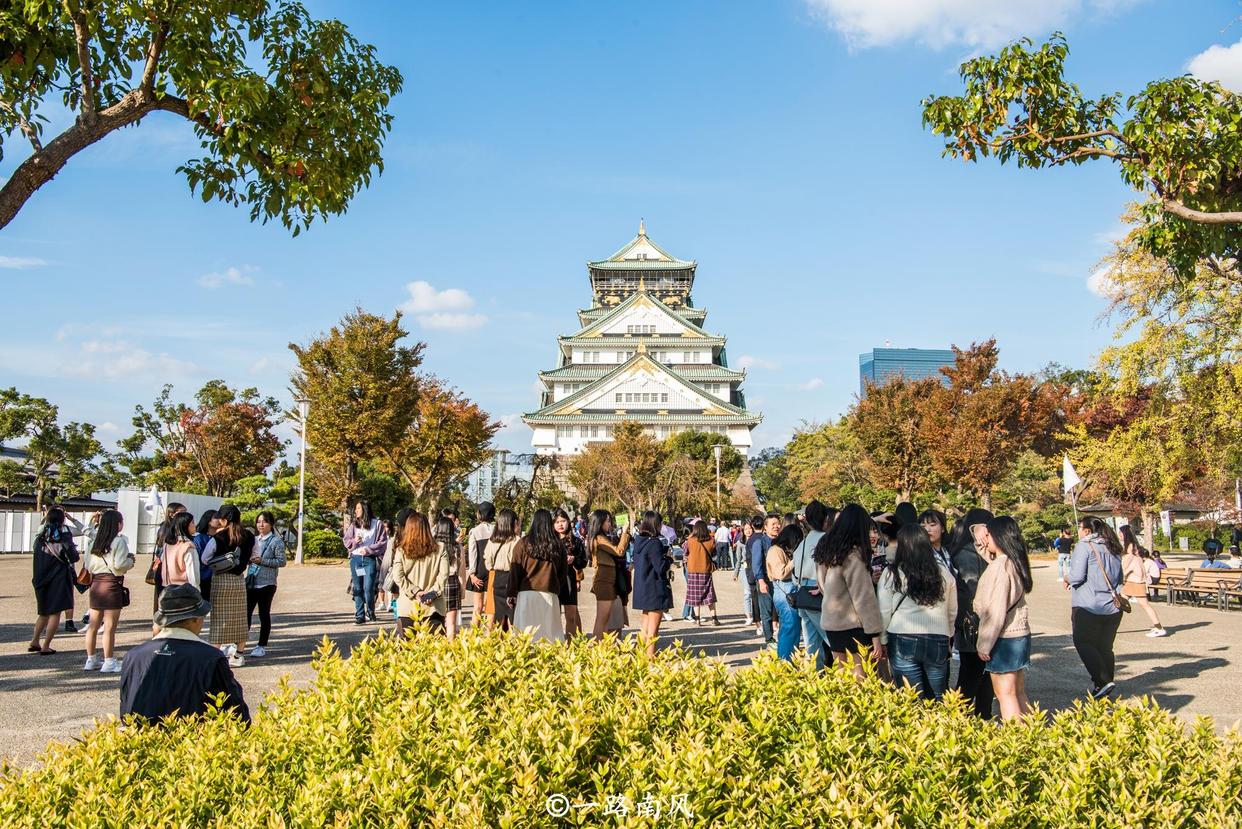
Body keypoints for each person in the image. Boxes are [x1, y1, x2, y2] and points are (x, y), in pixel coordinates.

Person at [120, 584, 250, 724]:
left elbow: (126, 708)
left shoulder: (133, 656)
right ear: (196, 618)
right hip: (194, 740)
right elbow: (236, 711)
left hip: (142, 739)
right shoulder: (210, 658)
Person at [878, 523, 957, 700]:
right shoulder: (944, 572)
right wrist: (949, 635)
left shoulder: (892, 573)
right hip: (938, 637)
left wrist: (882, 639)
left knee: (910, 699)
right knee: (937, 698)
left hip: (901, 637)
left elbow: (884, 611)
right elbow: (952, 610)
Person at [813, 504, 885, 679]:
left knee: (841, 671)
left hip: (831, 621)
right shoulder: (854, 555)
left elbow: (822, 585)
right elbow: (863, 598)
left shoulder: (826, 549)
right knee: (860, 674)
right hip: (854, 624)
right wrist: (875, 634)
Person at [974, 517, 1033, 721]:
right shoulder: (1012, 561)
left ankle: (1016, 740)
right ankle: (1033, 734)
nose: (985, 539)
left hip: (1003, 637)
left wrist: (984, 644)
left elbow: (995, 611)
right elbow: (984, 550)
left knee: (1005, 695)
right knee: (1018, 692)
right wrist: (980, 528)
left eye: (989, 535)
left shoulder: (1000, 567)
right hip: (1019, 634)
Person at [1068, 516, 1125, 700]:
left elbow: (1076, 576)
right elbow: (1120, 577)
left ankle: (1102, 681)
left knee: (1083, 641)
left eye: (1080, 527)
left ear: (1086, 531)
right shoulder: (1113, 546)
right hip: (1113, 606)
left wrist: (1067, 578)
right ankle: (1105, 683)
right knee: (1105, 647)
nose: (1078, 531)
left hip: (1088, 604)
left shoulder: (1085, 546)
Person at [950, 507, 995, 718]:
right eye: (985, 529)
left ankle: (983, 717)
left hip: (984, 624)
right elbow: (972, 588)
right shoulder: (966, 553)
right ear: (973, 528)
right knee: (971, 675)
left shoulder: (986, 552)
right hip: (972, 624)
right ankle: (961, 719)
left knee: (985, 675)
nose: (988, 534)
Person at [83, 509, 135, 674]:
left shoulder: (93, 542)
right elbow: (119, 565)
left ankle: (91, 659)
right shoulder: (119, 542)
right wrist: (130, 561)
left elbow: (87, 565)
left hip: (96, 583)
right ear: (117, 524)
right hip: (112, 584)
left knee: (93, 625)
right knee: (109, 626)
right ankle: (109, 660)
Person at [506, 509, 568, 643]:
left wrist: (511, 592)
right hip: (549, 594)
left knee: (526, 636)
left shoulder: (522, 543)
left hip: (526, 595)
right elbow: (563, 573)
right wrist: (555, 584)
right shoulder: (557, 545)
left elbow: (515, 570)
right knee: (550, 636)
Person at [207, 505, 253, 668]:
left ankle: (214, 656)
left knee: (219, 619)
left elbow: (205, 558)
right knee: (240, 617)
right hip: (239, 580)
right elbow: (256, 554)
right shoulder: (249, 536)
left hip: (220, 579)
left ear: (224, 520)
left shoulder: (219, 537)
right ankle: (238, 655)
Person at [790, 501, 834, 670]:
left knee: (811, 640)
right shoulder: (826, 539)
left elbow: (795, 566)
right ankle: (848, 672)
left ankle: (815, 674)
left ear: (807, 520)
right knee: (830, 635)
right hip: (819, 589)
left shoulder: (804, 541)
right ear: (826, 518)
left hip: (803, 591)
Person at [30, 507, 80, 655]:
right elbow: (74, 557)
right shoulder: (63, 537)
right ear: (62, 520)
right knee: (55, 613)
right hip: (58, 578)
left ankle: (35, 641)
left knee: (43, 612)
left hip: (40, 578)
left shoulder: (39, 538)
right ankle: (46, 646)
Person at [392, 511, 450, 636]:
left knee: (407, 652)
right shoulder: (440, 548)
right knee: (434, 652)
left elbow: (397, 576)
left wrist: (416, 592)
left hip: (408, 607)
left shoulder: (401, 550)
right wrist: (431, 594)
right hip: (434, 608)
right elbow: (444, 575)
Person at [631, 511, 674, 657]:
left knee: (644, 627)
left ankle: (640, 656)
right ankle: (650, 658)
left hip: (642, 587)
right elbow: (660, 567)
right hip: (655, 588)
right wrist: (668, 559)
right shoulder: (654, 542)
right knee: (653, 629)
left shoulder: (639, 541)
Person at [246, 511, 286, 657]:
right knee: (246, 614)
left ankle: (261, 645)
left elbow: (281, 562)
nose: (261, 525)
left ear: (271, 524)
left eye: (264, 522)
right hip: (251, 581)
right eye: (258, 521)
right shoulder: (254, 539)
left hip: (267, 583)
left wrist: (262, 561)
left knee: (264, 614)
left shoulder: (276, 541)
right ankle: (240, 642)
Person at [586, 509, 630, 639]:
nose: (609, 524)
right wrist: (624, 533)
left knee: (605, 620)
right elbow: (619, 551)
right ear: (600, 522)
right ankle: (596, 648)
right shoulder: (599, 538)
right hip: (603, 580)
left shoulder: (601, 537)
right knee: (602, 619)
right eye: (608, 521)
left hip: (608, 580)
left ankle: (602, 649)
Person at [344, 500, 387, 623]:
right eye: (355, 509)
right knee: (358, 588)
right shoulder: (354, 525)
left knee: (368, 588)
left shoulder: (377, 524)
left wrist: (369, 549)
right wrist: (354, 541)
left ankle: (371, 611)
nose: (356, 511)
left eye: (358, 508)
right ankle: (360, 615)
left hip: (370, 560)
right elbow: (346, 540)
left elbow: (382, 543)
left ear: (365, 509)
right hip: (356, 559)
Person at [1119, 525, 1166, 637]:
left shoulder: (1130, 547)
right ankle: (1158, 627)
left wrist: (1120, 574)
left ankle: (1159, 628)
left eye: (1120, 533)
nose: (1119, 535)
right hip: (1132, 581)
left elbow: (1126, 564)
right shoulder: (1133, 546)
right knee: (1119, 603)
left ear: (1124, 534)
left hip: (1135, 581)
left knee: (1144, 605)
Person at [767, 523, 804, 661]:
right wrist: (794, 561)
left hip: (788, 591)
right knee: (789, 628)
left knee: (792, 629)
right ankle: (785, 660)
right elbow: (780, 573)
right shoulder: (775, 551)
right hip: (784, 592)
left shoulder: (781, 550)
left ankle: (789, 659)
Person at [483, 509, 521, 631]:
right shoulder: (517, 540)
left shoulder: (493, 540)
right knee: (512, 616)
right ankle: (512, 645)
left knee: (499, 617)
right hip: (512, 578)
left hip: (497, 579)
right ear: (514, 522)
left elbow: (488, 563)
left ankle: (499, 646)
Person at [553, 508, 587, 636]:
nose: (560, 524)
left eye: (563, 521)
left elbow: (583, 561)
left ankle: (570, 646)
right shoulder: (550, 542)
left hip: (569, 581)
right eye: (557, 522)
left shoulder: (576, 541)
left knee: (571, 616)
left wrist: (574, 559)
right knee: (554, 617)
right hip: (553, 581)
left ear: (568, 522)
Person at [750, 514, 780, 644]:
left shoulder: (781, 541)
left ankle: (781, 636)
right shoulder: (759, 542)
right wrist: (761, 581)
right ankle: (769, 639)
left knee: (780, 610)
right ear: (765, 528)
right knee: (766, 611)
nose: (776, 526)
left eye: (778, 524)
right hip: (766, 581)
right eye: (773, 524)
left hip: (780, 581)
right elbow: (756, 564)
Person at [683, 519, 720, 627]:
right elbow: (714, 555)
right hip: (706, 570)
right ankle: (714, 618)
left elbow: (685, 553)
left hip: (693, 570)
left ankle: (698, 619)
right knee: (709, 595)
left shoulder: (689, 541)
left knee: (695, 596)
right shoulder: (711, 540)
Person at [433, 515, 463, 639]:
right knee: (451, 621)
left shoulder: (433, 547)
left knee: (436, 618)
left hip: (437, 582)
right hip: (452, 582)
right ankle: (451, 647)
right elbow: (460, 568)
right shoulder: (456, 547)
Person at [466, 502, 496, 624]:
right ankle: (490, 635)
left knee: (477, 607)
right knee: (491, 607)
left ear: (479, 514)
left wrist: (472, 573)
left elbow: (472, 553)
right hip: (493, 570)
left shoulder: (475, 531)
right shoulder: (496, 530)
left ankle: (474, 636)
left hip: (479, 570)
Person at [160, 512, 200, 589]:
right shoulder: (188, 547)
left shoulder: (167, 545)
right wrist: (196, 590)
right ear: (185, 525)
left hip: (167, 587)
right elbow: (193, 574)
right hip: (184, 589)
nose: (194, 525)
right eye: (192, 522)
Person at [192, 509, 218, 602]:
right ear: (208, 521)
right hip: (204, 578)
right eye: (216, 517)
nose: (219, 519)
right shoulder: (199, 539)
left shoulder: (221, 537)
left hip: (218, 579)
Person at [733, 519, 756, 625]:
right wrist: (735, 573)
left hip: (755, 567)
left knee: (756, 593)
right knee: (747, 593)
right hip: (744, 568)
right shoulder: (740, 543)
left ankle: (757, 615)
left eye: (750, 528)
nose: (748, 531)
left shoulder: (757, 540)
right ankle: (749, 615)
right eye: (746, 529)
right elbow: (738, 559)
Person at [918, 510, 953, 574]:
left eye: (932, 525)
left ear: (942, 528)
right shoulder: (918, 554)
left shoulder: (948, 551)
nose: (927, 530)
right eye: (923, 526)